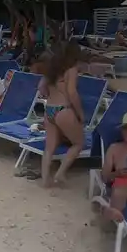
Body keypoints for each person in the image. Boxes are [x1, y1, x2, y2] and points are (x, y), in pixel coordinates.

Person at [39, 40, 87, 188]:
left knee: (49, 148)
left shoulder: (51, 70)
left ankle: (45, 180)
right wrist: (80, 114)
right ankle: (60, 173)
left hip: (49, 110)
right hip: (63, 110)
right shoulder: (71, 70)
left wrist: (49, 96)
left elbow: (40, 87)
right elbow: (72, 93)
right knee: (78, 144)